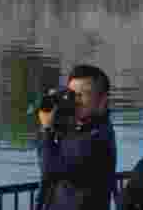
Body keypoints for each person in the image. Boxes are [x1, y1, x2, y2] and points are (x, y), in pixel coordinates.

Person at [36, 65, 117, 210]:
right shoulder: (81, 127)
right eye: (71, 94)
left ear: (103, 100)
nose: (75, 101)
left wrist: (46, 129)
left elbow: (49, 169)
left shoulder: (96, 138)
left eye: (82, 95)